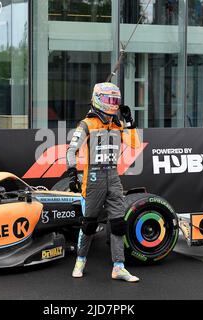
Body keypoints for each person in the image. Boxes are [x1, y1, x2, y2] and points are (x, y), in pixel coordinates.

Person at [66, 82, 141, 283]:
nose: (113, 104)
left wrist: (130, 122)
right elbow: (71, 150)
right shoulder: (87, 124)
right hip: (93, 178)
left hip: (113, 176)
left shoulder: (118, 124)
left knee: (117, 223)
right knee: (89, 224)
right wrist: (73, 172)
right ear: (98, 99)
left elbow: (135, 145)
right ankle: (80, 261)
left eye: (116, 101)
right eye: (110, 100)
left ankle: (119, 267)